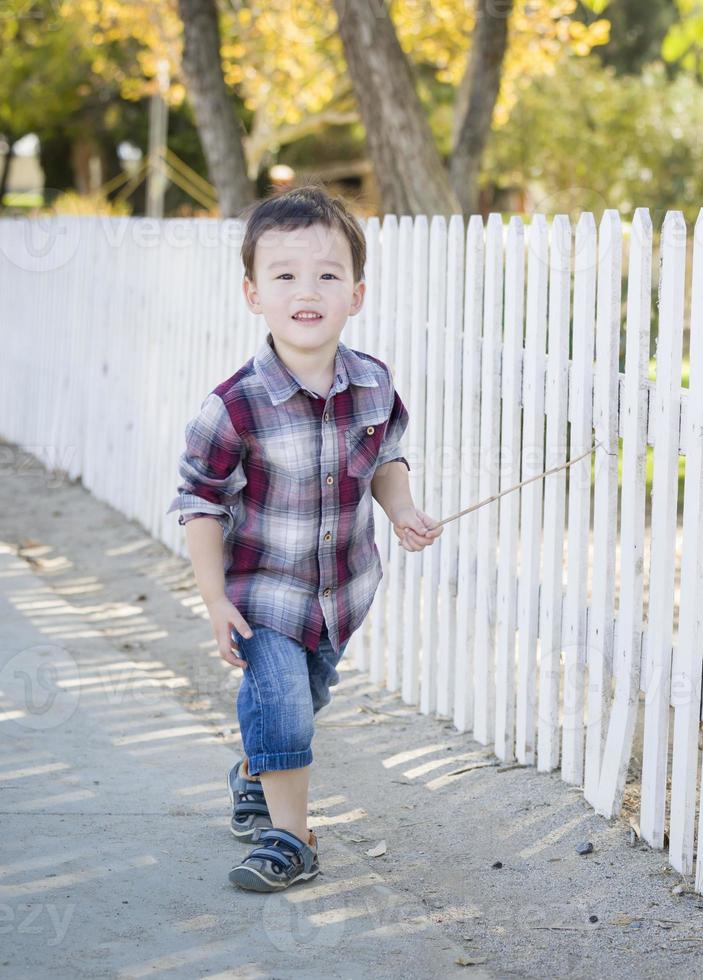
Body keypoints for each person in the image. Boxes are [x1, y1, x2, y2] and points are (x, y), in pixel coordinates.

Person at [166, 183, 441, 892]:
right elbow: (199, 502)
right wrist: (213, 598)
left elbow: (384, 457)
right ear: (254, 293)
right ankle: (291, 838)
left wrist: (402, 508)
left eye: (327, 274)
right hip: (262, 592)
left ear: (357, 292)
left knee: (299, 702)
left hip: (342, 592)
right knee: (283, 704)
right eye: (285, 275)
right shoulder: (234, 406)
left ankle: (256, 771)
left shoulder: (373, 384)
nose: (307, 290)